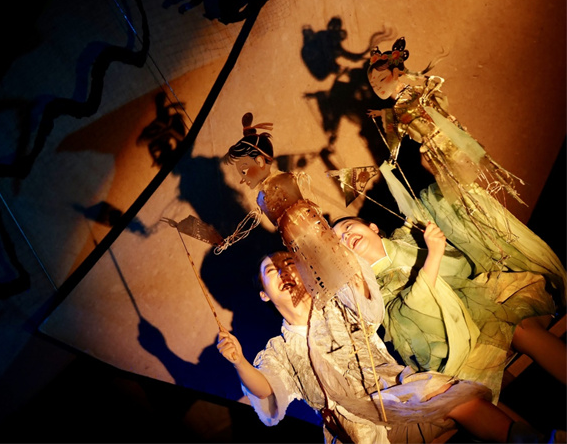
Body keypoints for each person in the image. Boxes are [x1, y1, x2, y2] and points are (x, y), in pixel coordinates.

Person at [217, 250, 559, 443]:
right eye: (271, 271)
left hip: (400, 395)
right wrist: (239, 362)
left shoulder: (337, 302)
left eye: (288, 264)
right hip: (357, 429)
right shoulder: (279, 350)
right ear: (264, 293)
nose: (282, 272)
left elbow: (369, 307)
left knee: (456, 397)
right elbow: (266, 389)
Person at [364, 37, 567, 295]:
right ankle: (487, 240)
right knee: (459, 202)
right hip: (435, 154)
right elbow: (401, 121)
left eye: (381, 80)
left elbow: (423, 116)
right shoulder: (402, 103)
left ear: (395, 74)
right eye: (374, 85)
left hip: (444, 149)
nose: (378, 88)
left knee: (466, 198)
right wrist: (384, 117)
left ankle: (494, 241)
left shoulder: (414, 97)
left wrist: (419, 131)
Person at [331, 212, 565, 404]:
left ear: (372, 227)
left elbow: (460, 267)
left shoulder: (409, 236)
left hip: (486, 300)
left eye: (348, 227)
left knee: (519, 329)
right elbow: (407, 318)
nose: (346, 236)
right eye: (339, 241)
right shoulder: (371, 292)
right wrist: (433, 256)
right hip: (451, 342)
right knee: (475, 379)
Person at [222, 112, 383, 321]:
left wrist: (321, 244)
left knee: (345, 281)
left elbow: (303, 219)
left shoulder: (282, 181)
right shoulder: (262, 197)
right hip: (301, 249)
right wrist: (232, 237)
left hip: (314, 238)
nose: (243, 179)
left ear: (260, 161)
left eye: (244, 170)